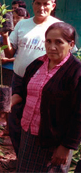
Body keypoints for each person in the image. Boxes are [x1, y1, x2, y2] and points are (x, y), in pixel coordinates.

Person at [12, 22, 81, 172]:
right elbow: (23, 92)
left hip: (55, 141)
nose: (52, 47)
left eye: (58, 42)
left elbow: (79, 113)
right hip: (29, 134)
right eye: (48, 41)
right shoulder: (36, 64)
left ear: (71, 44)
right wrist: (9, 101)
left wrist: (67, 146)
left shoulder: (76, 71)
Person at [1, 0, 60, 157]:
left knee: (37, 122)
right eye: (38, 3)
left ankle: (34, 160)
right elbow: (9, 53)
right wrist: (5, 37)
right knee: (14, 120)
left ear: (53, 5)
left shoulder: (57, 26)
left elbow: (65, 56)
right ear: (32, 5)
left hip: (44, 82)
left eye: (46, 4)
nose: (41, 7)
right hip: (19, 80)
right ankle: (21, 159)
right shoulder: (22, 24)